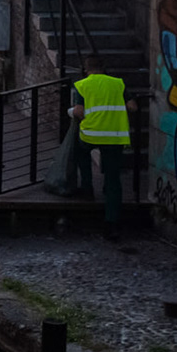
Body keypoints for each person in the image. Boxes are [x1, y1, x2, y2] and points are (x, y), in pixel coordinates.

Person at [68, 54, 133, 227]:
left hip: (92, 134)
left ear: (85, 69)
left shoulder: (82, 85)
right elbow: (133, 106)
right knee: (113, 178)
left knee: (81, 152)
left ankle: (87, 187)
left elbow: (79, 112)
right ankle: (112, 222)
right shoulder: (118, 84)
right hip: (115, 136)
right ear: (103, 68)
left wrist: (72, 112)